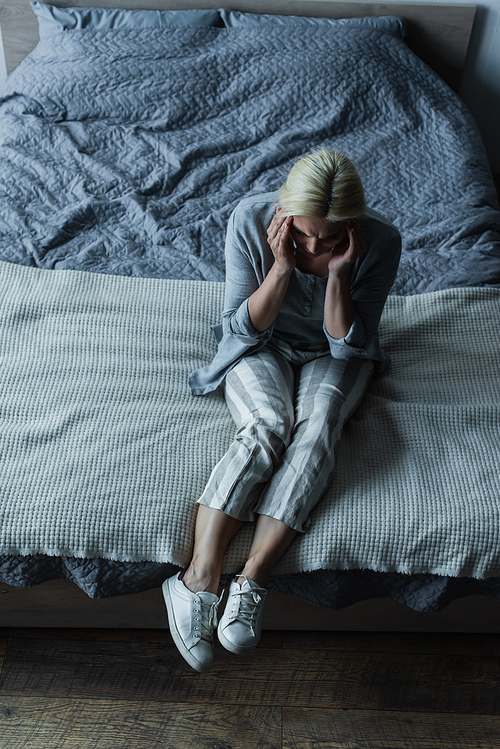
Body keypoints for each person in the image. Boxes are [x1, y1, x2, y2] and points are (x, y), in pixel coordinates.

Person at [162, 149, 401, 673]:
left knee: (318, 431)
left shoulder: (380, 243)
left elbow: (346, 344)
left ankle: (253, 579)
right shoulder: (250, 219)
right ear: (286, 215)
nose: (316, 246)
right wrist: (283, 266)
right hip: (261, 343)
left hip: (336, 351)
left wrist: (338, 276)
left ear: (353, 227)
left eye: (332, 239)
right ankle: (196, 579)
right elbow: (244, 328)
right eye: (305, 234)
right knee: (268, 424)